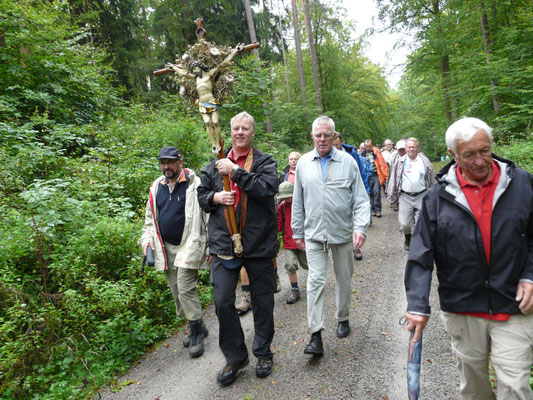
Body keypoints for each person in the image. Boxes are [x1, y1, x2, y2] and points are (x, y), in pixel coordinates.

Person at [404, 117, 533, 400]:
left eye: (484, 151)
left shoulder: (522, 183)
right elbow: (421, 252)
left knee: (516, 386)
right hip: (462, 306)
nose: (479, 161)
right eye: (469, 155)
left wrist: (530, 275)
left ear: (492, 145)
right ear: (453, 155)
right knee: (474, 390)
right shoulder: (438, 197)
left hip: (513, 304)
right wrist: (417, 304)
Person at [197, 111, 278, 385]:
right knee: (221, 302)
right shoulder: (214, 164)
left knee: (263, 302)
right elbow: (201, 196)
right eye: (236, 128)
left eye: (245, 128)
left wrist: (237, 172)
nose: (240, 132)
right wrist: (216, 197)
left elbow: (267, 189)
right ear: (229, 133)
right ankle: (235, 356)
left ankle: (263, 352)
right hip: (223, 245)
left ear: (253, 132)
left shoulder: (265, 162)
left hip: (259, 244)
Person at [292, 116, 371, 356]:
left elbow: (360, 199)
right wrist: (297, 231)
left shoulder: (348, 162)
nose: (322, 139)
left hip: (343, 233)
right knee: (315, 282)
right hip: (314, 234)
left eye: (327, 135)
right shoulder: (304, 163)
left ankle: (343, 316)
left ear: (334, 136)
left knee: (344, 278)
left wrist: (360, 228)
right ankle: (315, 334)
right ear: (312, 137)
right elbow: (298, 200)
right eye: (318, 135)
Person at [140, 146, 209, 358]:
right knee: (175, 289)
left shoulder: (194, 183)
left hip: (190, 242)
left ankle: (196, 332)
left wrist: (212, 245)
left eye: (170, 162)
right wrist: (146, 241)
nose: (166, 166)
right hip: (165, 246)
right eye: (162, 162)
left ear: (180, 161)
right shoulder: (156, 187)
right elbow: (150, 221)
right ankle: (197, 323)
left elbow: (207, 215)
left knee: (186, 288)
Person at [166, 43, 243, 153]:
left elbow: (223, 63)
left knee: (215, 122)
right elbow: (183, 73)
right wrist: (173, 67)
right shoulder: (196, 78)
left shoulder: (210, 74)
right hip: (202, 103)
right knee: (207, 123)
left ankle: (219, 141)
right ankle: (213, 144)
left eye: (196, 69)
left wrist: (235, 51)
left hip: (211, 101)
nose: (195, 71)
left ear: (200, 67)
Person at [387, 137, 436, 251]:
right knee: (405, 224)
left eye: (413, 147)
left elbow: (431, 178)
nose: (411, 149)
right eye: (409, 147)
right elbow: (393, 179)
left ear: (417, 148)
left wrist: (433, 195)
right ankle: (407, 237)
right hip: (405, 196)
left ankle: (419, 243)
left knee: (421, 223)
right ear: (406, 148)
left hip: (422, 195)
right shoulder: (400, 161)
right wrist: (391, 195)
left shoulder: (424, 161)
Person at [333, 132, 371, 260]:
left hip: (353, 189)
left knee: (353, 218)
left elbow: (361, 171)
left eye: (337, 144)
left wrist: (365, 189)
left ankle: (356, 247)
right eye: (333, 145)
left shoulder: (351, 154)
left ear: (341, 143)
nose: (335, 147)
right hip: (338, 192)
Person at [277, 181, 308, 304]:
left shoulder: (303, 204)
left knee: (308, 265)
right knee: (290, 266)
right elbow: (279, 224)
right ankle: (295, 291)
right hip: (289, 242)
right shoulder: (282, 207)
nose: (286, 198)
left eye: (288, 195)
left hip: (303, 241)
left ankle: (316, 285)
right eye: (284, 196)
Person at [360, 139, 388, 218]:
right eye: (366, 146)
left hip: (376, 175)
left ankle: (378, 209)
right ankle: (372, 209)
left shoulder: (376, 153)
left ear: (372, 145)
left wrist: (385, 176)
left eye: (369, 146)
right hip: (367, 176)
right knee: (370, 193)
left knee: (377, 192)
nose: (368, 148)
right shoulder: (362, 155)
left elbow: (382, 164)